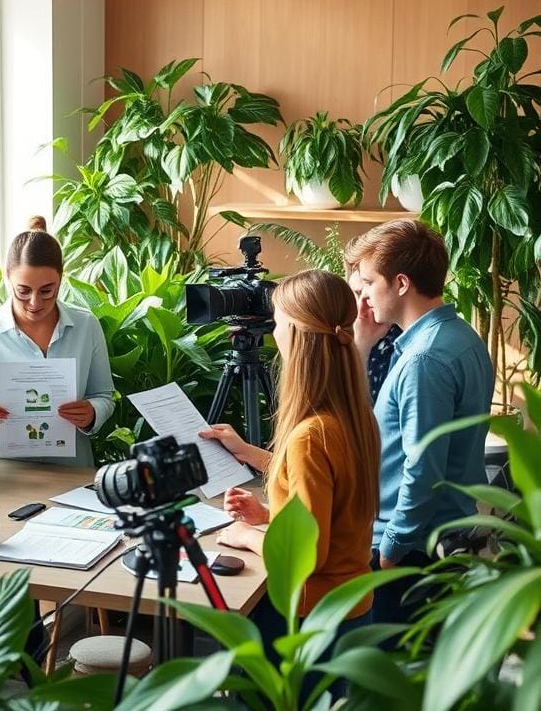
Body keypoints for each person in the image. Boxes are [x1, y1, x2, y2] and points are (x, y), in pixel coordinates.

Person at [200, 269, 380, 660]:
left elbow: (306, 556)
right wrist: (267, 510)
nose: (272, 333)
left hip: (310, 618)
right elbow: (331, 498)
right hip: (352, 605)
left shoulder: (310, 436)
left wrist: (247, 536)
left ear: (296, 334)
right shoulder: (352, 416)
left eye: (278, 323)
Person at [347, 219, 493, 626]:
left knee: (393, 678)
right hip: (438, 535)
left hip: (410, 549)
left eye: (370, 284)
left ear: (401, 283)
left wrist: (391, 549)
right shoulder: (458, 335)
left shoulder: (423, 360)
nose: (363, 298)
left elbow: (422, 467)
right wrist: (363, 343)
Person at [0, 216, 115, 467]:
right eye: (23, 291)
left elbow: (103, 395)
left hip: (71, 470)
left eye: (47, 291)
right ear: (7, 277)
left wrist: (92, 412)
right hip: (1, 472)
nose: (35, 302)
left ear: (61, 279)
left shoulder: (86, 326)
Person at [343, 235, 402, 403]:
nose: (363, 305)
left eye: (368, 292)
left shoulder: (402, 342)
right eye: (357, 293)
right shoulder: (340, 333)